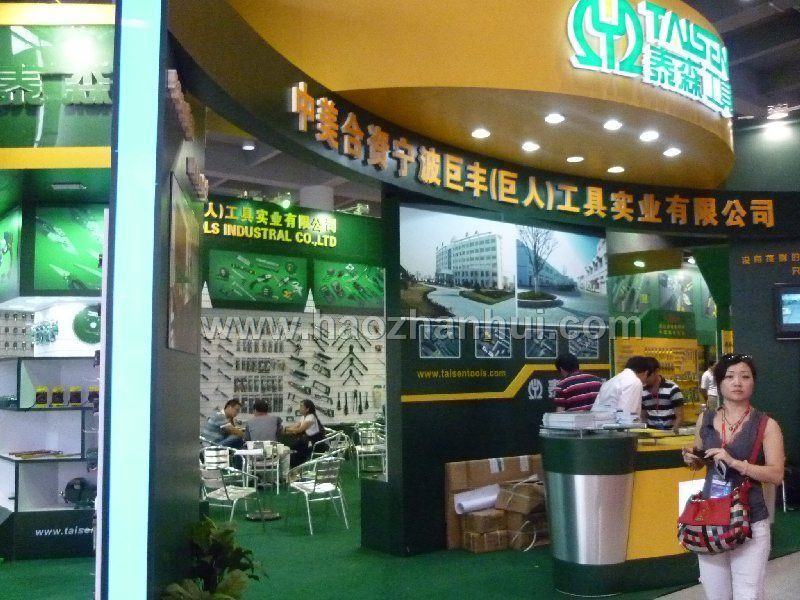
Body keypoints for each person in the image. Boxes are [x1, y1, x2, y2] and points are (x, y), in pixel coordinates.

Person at [681, 353, 785, 600]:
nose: (737, 382)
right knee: (716, 593)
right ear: (719, 383)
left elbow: (776, 474)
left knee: (747, 593)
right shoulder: (705, 419)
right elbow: (700, 460)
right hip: (710, 516)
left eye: (745, 377)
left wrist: (735, 463)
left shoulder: (766, 425)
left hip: (750, 517)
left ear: (753, 382)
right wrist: (693, 459)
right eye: (729, 377)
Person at [591, 355, 654, 421]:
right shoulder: (634, 381)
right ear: (646, 373)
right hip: (617, 426)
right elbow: (627, 417)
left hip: (600, 425)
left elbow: (594, 411)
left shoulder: (609, 382)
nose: (644, 383)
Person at [641, 357, 684, 432]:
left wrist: (672, 433)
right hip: (651, 434)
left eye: (648, 376)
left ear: (656, 371)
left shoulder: (672, 388)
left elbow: (680, 417)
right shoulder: (642, 390)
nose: (645, 379)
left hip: (669, 434)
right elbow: (643, 416)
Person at [284, 399, 326, 467]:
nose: (299, 408)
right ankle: (294, 467)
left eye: (301, 406)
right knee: (294, 447)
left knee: (298, 448)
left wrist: (286, 429)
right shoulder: (303, 417)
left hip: (315, 442)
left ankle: (297, 467)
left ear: (307, 409)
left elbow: (299, 430)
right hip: (307, 441)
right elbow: (296, 426)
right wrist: (286, 429)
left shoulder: (311, 417)